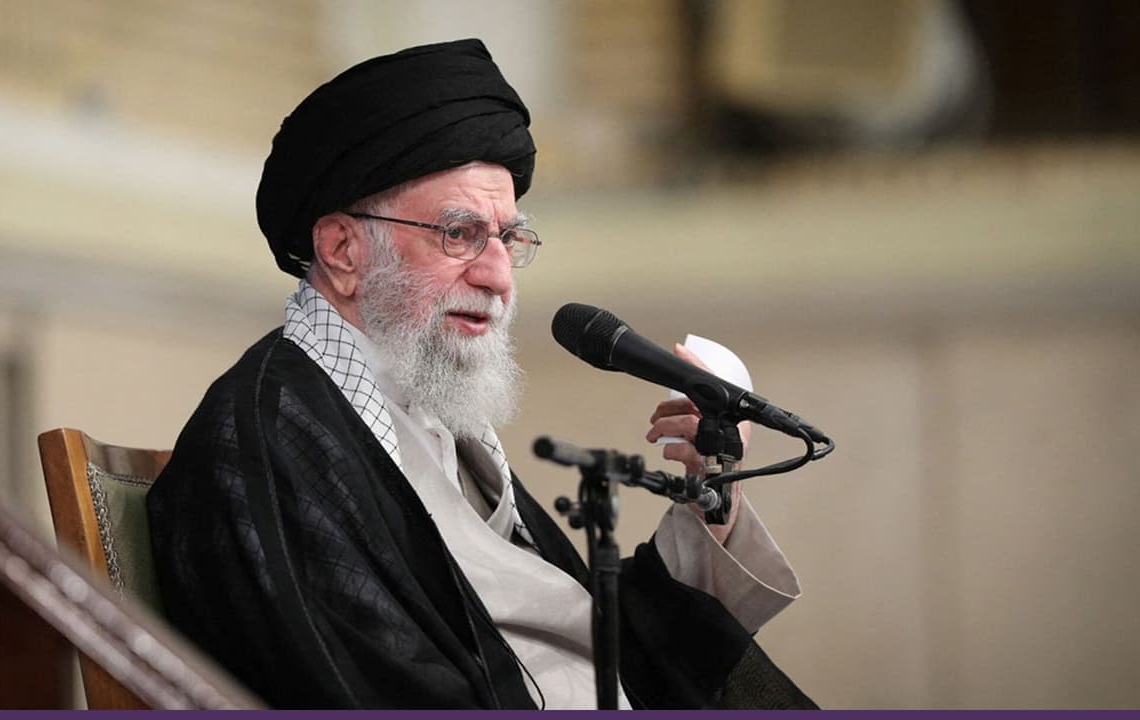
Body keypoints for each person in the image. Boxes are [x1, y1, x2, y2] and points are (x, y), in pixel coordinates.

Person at [147, 39, 813, 709]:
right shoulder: (272, 442)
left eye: (508, 238)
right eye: (459, 234)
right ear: (343, 250)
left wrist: (710, 490)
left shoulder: (422, 414)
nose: (497, 276)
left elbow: (607, 649)